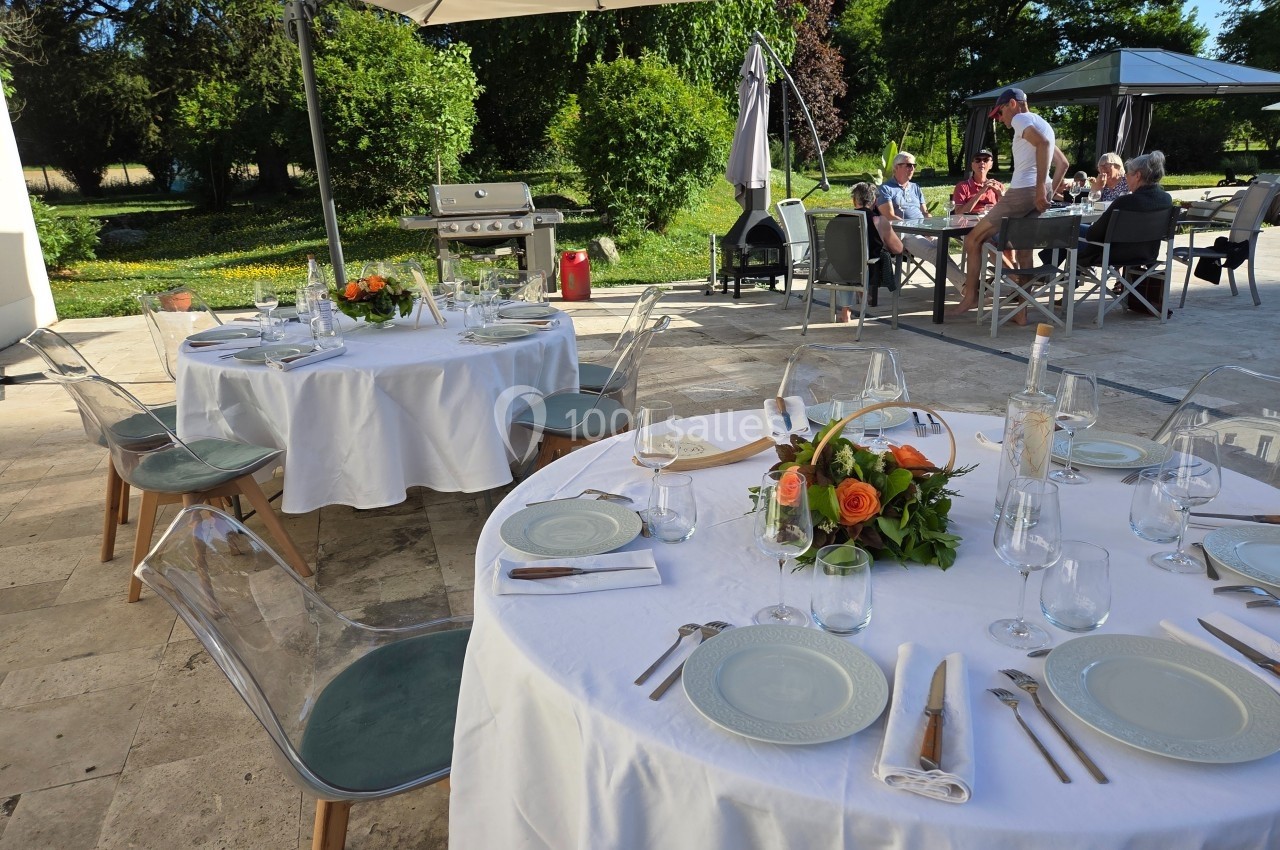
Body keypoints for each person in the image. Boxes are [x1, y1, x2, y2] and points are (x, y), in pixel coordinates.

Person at [949, 87, 1069, 320]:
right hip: (1036, 191)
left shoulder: (1021, 119)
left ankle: (970, 296)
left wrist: (1037, 191)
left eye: (1000, 112)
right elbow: (1063, 163)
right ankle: (1021, 314)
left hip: (1024, 191)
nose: (1000, 118)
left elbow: (1043, 145)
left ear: (1012, 104)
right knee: (1024, 252)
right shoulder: (1044, 123)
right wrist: (1047, 192)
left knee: (974, 239)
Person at [875, 151, 966, 291]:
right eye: (908, 165)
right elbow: (889, 217)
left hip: (923, 229)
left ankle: (965, 286)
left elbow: (924, 212)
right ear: (896, 167)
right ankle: (967, 285)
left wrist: (931, 226)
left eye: (914, 165)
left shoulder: (915, 187)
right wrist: (918, 228)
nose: (912, 169)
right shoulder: (886, 189)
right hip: (902, 232)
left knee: (942, 247)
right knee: (935, 252)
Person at [1078, 150, 1172, 268]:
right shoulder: (1166, 199)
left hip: (1114, 255)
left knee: (1069, 228)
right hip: (1147, 254)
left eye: (1128, 174)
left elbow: (1094, 234)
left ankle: (1058, 276)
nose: (1126, 177)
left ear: (1137, 176)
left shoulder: (1125, 202)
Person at [834, 182, 897, 322]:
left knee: (845, 262)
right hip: (866, 272)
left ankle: (846, 313)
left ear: (853, 200)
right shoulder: (879, 220)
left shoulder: (840, 219)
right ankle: (862, 295)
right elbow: (897, 248)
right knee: (862, 263)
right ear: (874, 201)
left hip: (832, 272)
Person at [952, 149, 1004, 214]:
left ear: (991, 165)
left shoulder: (998, 185)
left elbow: (1006, 212)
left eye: (986, 160)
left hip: (992, 222)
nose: (982, 162)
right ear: (972, 165)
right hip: (969, 222)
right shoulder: (962, 186)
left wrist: (1000, 194)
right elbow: (959, 213)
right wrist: (981, 191)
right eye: (978, 160)